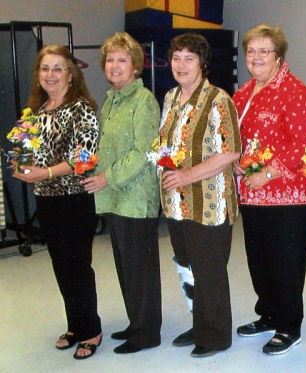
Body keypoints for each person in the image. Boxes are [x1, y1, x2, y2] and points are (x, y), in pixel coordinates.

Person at [232, 24, 306, 355]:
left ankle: (289, 325)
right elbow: (233, 138)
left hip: (288, 198)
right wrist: (235, 161)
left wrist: (267, 173)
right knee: (260, 262)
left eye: (263, 51)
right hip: (251, 196)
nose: (256, 57)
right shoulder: (243, 94)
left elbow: (304, 145)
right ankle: (268, 314)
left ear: (279, 55)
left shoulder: (297, 93)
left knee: (286, 264)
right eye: (251, 51)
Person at [13, 45, 101, 359]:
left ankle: (91, 329)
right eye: (45, 68)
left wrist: (45, 172)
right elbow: (24, 148)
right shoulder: (36, 111)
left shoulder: (80, 108)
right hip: (46, 199)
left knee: (77, 266)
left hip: (74, 199)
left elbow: (86, 157)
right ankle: (75, 324)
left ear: (70, 74)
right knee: (61, 266)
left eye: (58, 68)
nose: (51, 74)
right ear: (38, 75)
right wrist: (20, 164)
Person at [158, 33, 240, 358]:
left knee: (209, 270)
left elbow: (231, 151)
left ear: (203, 63)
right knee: (188, 268)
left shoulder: (219, 100)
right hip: (176, 202)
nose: (181, 64)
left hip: (209, 202)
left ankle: (216, 335)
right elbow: (165, 142)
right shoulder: (170, 97)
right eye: (176, 57)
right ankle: (200, 323)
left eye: (189, 58)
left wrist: (187, 174)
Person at [82, 31, 162, 354]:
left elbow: (144, 152)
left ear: (136, 65)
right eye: (110, 59)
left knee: (139, 268)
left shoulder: (144, 101)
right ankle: (136, 322)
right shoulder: (111, 99)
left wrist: (106, 178)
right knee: (125, 265)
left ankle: (147, 332)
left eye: (122, 60)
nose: (114, 65)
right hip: (115, 195)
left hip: (135, 196)